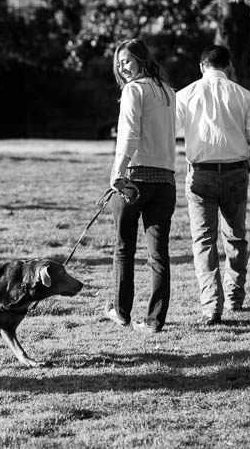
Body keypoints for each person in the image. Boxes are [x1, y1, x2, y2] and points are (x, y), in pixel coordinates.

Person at [175, 45, 250, 326]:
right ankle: (234, 296)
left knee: (203, 241)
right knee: (235, 238)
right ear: (229, 66)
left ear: (201, 66)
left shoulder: (186, 94)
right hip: (235, 174)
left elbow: (167, 131)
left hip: (200, 175)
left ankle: (211, 307)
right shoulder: (244, 96)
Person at [106, 39, 177, 334]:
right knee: (158, 253)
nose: (122, 66)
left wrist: (116, 172)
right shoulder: (168, 91)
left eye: (127, 60)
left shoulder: (134, 90)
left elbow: (129, 137)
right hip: (165, 180)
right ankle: (154, 321)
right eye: (119, 62)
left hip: (134, 179)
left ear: (141, 60)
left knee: (124, 249)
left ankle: (121, 312)